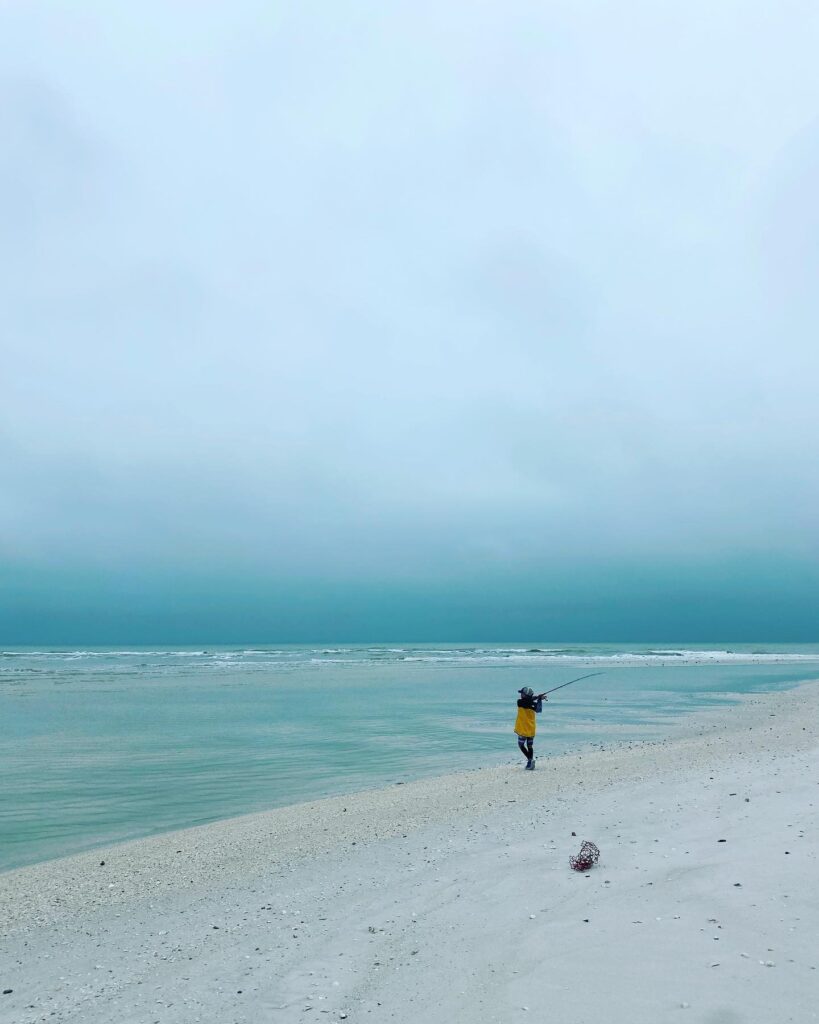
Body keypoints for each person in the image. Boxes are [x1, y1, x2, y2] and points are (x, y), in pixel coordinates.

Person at [514, 686, 546, 770]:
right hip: (531, 728)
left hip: (523, 728)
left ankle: (530, 760)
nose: (520, 695)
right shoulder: (533, 704)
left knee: (521, 745)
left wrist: (538, 698)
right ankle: (530, 762)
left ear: (524, 695)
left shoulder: (520, 702)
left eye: (522, 693)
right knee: (529, 746)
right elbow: (539, 709)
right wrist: (539, 699)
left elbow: (527, 701)